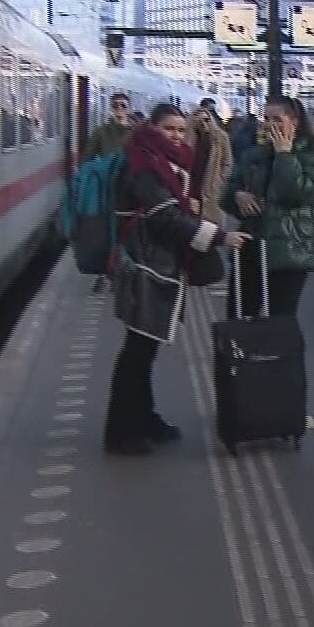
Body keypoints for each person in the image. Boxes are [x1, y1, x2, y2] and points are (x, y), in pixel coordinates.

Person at [103, 103, 248, 455]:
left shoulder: (163, 160)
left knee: (144, 349)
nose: (177, 136)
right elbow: (163, 216)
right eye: (170, 129)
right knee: (137, 352)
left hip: (156, 265)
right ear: (152, 129)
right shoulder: (144, 165)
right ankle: (122, 433)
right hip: (145, 266)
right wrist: (218, 236)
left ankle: (142, 418)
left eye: (182, 130)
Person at [222, 96, 314, 320]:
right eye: (266, 118)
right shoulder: (254, 156)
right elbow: (226, 191)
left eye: (278, 119)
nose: (271, 125)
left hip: (289, 251)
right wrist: (237, 195)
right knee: (239, 318)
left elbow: (295, 194)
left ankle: (275, 356)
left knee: (280, 323)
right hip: (251, 246)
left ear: (295, 122)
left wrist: (284, 155)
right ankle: (238, 356)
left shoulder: (312, 158)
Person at [188, 101, 233, 229]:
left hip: (212, 186)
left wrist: (220, 180)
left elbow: (227, 162)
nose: (204, 124)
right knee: (192, 225)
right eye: (199, 121)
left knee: (212, 225)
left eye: (207, 120)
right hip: (193, 184)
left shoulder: (220, 137)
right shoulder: (189, 138)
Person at [83, 91, 133, 162]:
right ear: (111, 109)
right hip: (109, 172)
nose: (119, 107)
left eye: (123, 105)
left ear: (129, 110)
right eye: (115, 105)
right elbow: (88, 158)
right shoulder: (101, 132)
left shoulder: (137, 132)